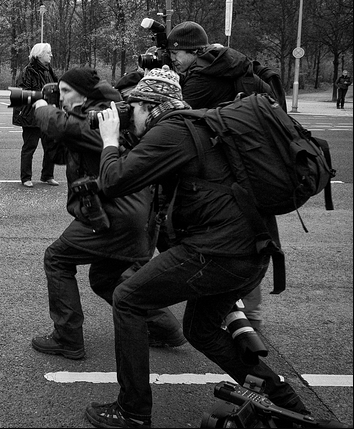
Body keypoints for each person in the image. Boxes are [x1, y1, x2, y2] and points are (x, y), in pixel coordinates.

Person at [84, 67, 309, 428]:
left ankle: (132, 411)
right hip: (252, 250)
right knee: (201, 330)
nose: (130, 115)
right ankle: (289, 405)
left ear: (149, 106)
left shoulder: (171, 131)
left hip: (221, 252)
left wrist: (110, 138)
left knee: (127, 298)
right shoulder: (194, 125)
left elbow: (113, 181)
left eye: (133, 108)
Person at [29, 67, 184, 360]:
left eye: (66, 92)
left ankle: (67, 338)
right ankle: (165, 329)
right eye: (58, 92)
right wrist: (52, 117)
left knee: (57, 258)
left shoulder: (103, 116)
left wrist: (41, 108)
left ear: (85, 94)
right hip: (131, 214)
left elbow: (66, 128)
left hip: (117, 214)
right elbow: (62, 153)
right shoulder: (101, 111)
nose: (60, 98)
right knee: (105, 278)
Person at [166, 21, 268, 328]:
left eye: (178, 53)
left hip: (234, 171)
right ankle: (244, 313)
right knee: (249, 238)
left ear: (194, 51)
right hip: (249, 164)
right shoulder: (226, 66)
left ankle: (244, 316)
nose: (174, 60)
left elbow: (174, 115)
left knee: (237, 240)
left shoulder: (205, 79)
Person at [12, 43, 60, 188]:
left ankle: (47, 175)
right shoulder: (28, 71)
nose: (51, 55)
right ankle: (26, 177)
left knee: (50, 145)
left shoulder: (49, 70)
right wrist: (41, 98)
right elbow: (21, 93)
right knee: (30, 146)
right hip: (31, 116)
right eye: (48, 53)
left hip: (47, 114)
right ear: (39, 55)